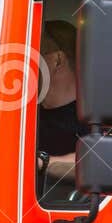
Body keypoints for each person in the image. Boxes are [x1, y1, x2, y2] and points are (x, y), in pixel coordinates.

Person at [35, 19, 80, 189]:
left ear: (57, 60)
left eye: (32, 55)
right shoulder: (25, 115)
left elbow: (103, 160)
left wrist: (40, 163)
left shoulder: (98, 113)